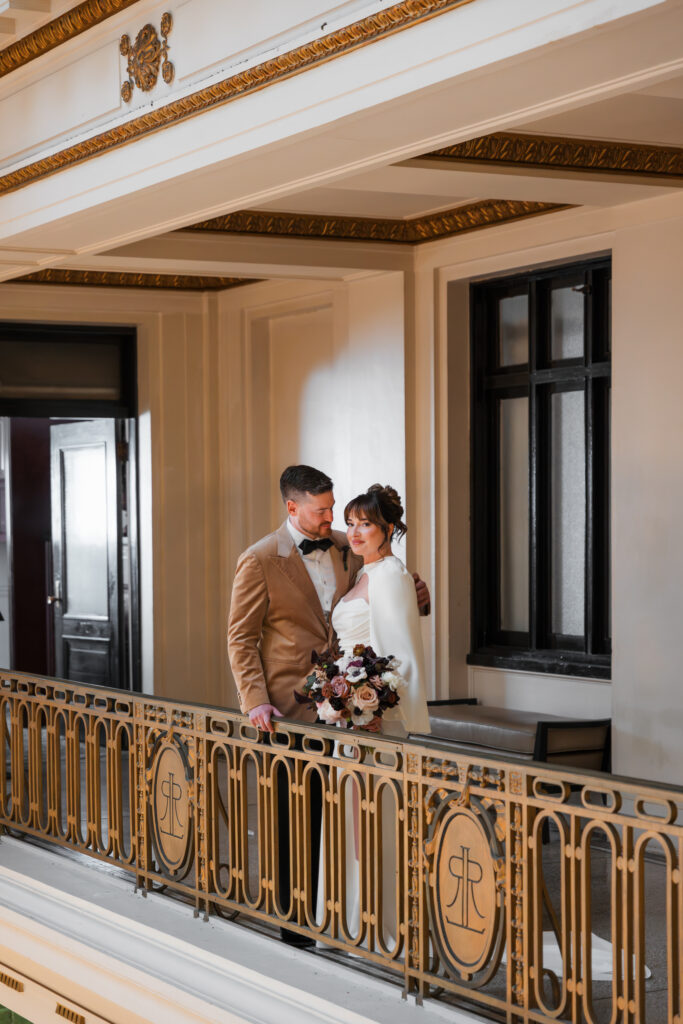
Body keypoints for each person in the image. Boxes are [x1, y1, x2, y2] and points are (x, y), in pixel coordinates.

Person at [227, 465, 429, 947]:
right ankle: (295, 928)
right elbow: (240, 638)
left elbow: (387, 600)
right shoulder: (258, 559)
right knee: (290, 816)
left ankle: (339, 914)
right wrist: (254, 702)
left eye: (333, 507)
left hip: (346, 711)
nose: (332, 518)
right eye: (321, 510)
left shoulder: (347, 545)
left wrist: (419, 594)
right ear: (292, 507)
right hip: (284, 710)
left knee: (338, 817)